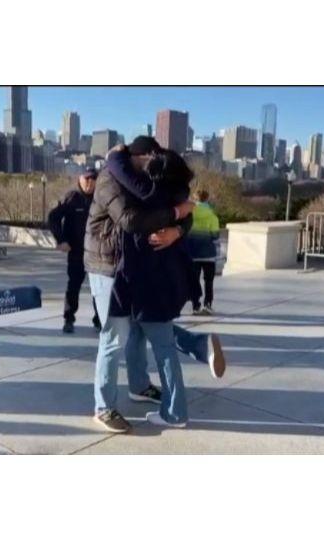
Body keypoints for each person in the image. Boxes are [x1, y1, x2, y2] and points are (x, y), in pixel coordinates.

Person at [106, 146, 227, 428]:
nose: (145, 164)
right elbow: (185, 215)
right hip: (167, 285)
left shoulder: (150, 201)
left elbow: (123, 181)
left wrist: (117, 154)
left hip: (149, 287)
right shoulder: (178, 198)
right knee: (141, 332)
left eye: (150, 162)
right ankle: (142, 384)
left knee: (163, 347)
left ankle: (175, 412)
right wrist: (180, 226)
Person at [84, 136, 195, 433]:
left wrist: (177, 230)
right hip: (107, 266)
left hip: (132, 267)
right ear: (140, 155)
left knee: (138, 328)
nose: (153, 164)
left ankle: (139, 387)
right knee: (114, 336)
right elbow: (131, 220)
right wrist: (174, 215)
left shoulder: (137, 177)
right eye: (150, 158)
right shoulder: (111, 178)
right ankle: (103, 407)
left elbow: (180, 207)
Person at [48, 167, 100, 333]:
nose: (89, 182)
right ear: (80, 179)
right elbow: (53, 217)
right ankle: (68, 319)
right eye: (86, 178)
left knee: (98, 288)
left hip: (97, 253)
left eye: (93, 178)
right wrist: (61, 239)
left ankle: (99, 320)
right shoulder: (72, 198)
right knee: (73, 286)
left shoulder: (102, 199)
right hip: (77, 251)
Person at [187, 189, 220, 315]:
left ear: (195, 199)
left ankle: (196, 305)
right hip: (208, 254)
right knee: (209, 280)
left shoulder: (190, 215)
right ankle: (208, 304)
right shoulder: (212, 216)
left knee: (194, 280)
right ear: (207, 199)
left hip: (193, 253)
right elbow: (215, 235)